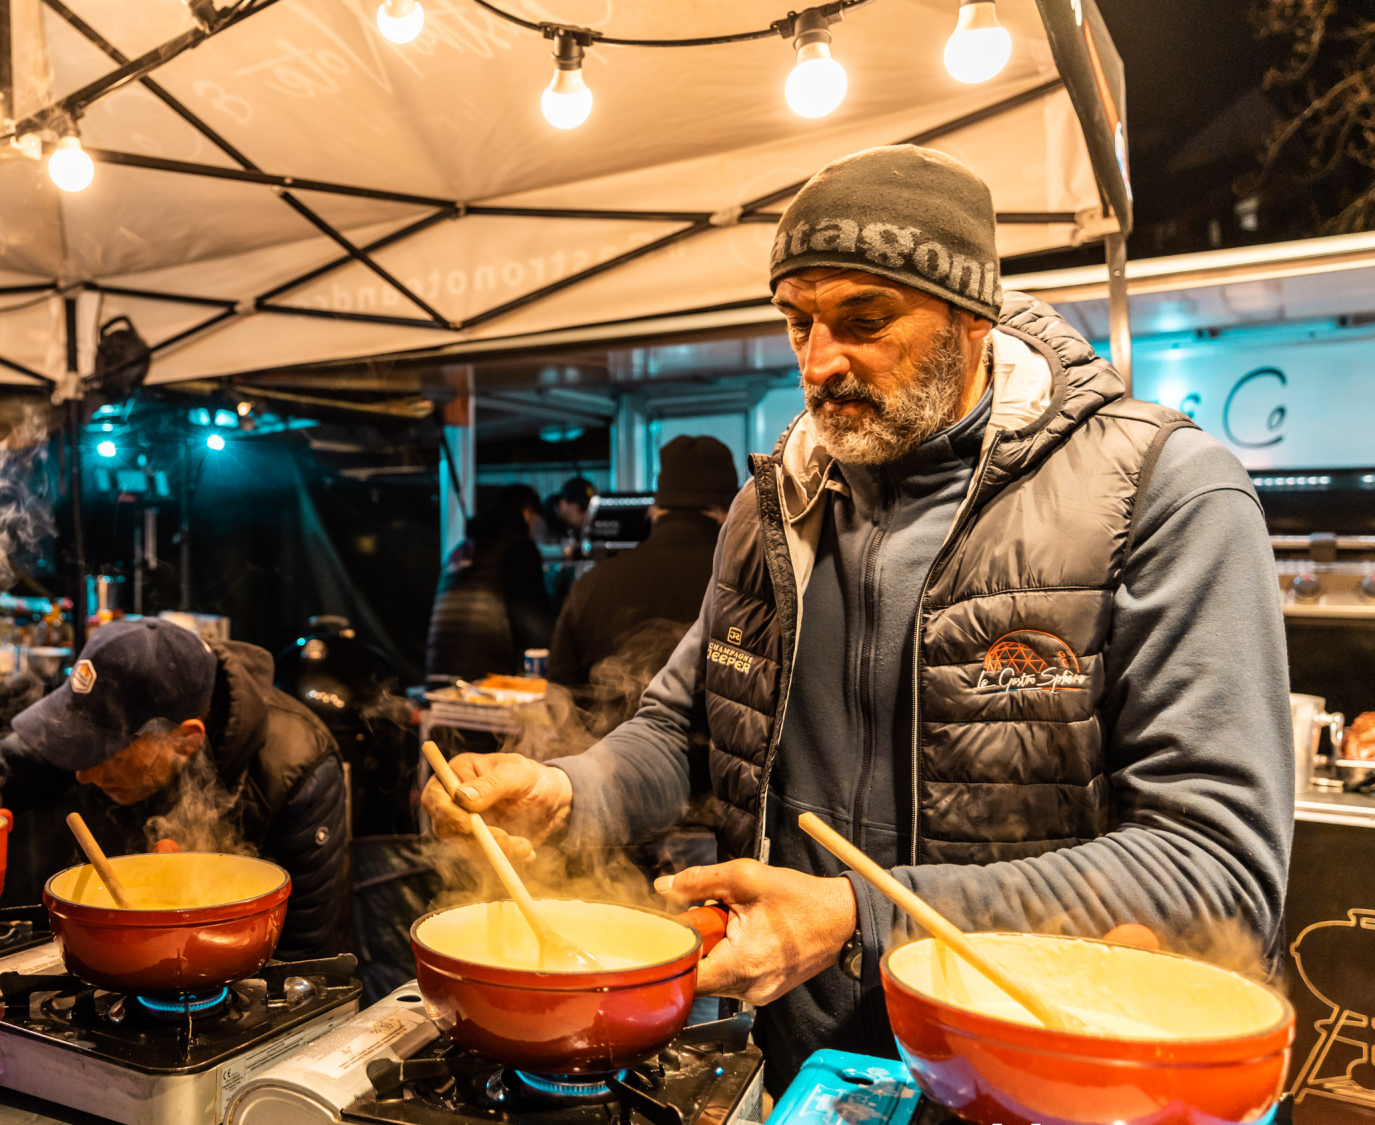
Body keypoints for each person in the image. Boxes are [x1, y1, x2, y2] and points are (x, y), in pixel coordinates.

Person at [421, 145, 1292, 1091]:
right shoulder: (774, 507)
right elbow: (684, 728)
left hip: (1026, 1080)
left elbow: (1216, 868)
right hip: (803, 1074)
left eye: (864, 321)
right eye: (797, 322)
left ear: (972, 312)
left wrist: (861, 917)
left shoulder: (1162, 494)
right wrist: (567, 790)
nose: (818, 362)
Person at [0, 618, 351, 961]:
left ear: (186, 740)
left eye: (104, 754)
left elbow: (303, 957)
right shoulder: (92, 724)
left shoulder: (298, 770)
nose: (82, 774)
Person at [548, 436, 738, 689]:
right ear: (729, 513)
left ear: (655, 509)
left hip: (604, 717)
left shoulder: (592, 584)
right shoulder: (740, 584)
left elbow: (559, 689)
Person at [425, 484, 554, 682]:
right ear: (527, 514)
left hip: (436, 681)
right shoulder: (518, 548)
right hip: (481, 685)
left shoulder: (461, 549)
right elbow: (537, 630)